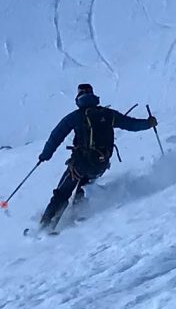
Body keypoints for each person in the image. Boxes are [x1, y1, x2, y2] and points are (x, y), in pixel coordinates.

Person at [37, 83, 155, 229]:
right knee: (83, 185)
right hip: (101, 164)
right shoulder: (108, 114)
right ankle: (76, 215)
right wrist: (148, 123)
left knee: (62, 192)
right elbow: (130, 124)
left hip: (80, 164)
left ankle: (45, 227)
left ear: (79, 97)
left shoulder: (75, 117)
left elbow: (56, 136)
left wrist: (45, 155)